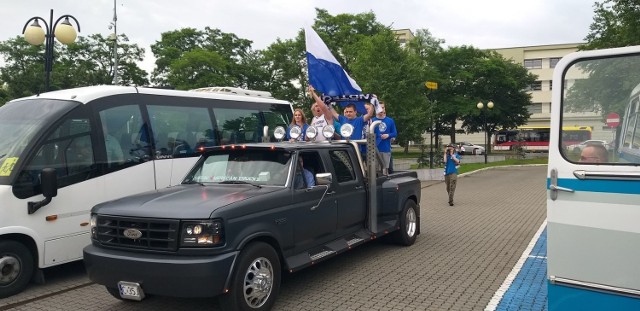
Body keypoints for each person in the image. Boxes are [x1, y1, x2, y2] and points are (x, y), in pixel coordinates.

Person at [373, 101, 397, 175]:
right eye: (379, 108)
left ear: (384, 109)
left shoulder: (389, 120)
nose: (381, 110)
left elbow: (394, 133)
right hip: (375, 149)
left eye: (382, 108)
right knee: (374, 170)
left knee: (385, 169)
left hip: (386, 148)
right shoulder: (372, 120)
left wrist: (388, 135)